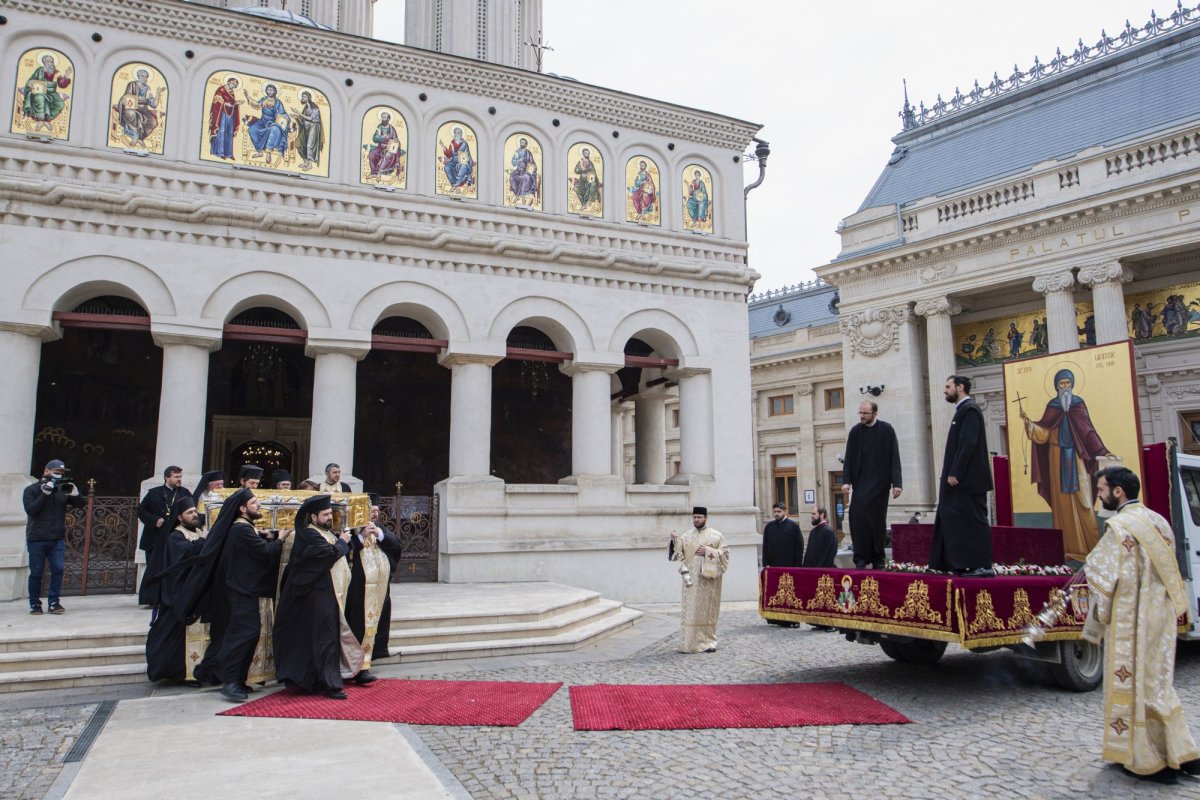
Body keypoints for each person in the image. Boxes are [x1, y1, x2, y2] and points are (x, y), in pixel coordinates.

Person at [1083, 466, 1200, 784]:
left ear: (1118, 492)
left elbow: (1103, 577)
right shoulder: (1158, 520)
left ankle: (1149, 760)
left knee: (1135, 685)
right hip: (1159, 618)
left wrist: (1097, 612)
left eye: (1102, 488)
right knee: (1159, 683)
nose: (1099, 494)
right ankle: (1182, 752)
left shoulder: (1119, 527)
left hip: (1132, 620)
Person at [1019, 368, 1116, 560]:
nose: (1065, 387)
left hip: (1077, 458)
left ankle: (1092, 548)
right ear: (1056, 386)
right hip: (1056, 457)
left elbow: (1088, 431)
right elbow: (1044, 433)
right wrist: (1030, 424)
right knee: (1061, 504)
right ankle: (1066, 549)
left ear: (1072, 384)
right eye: (1061, 384)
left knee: (1084, 501)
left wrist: (1103, 451)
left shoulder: (1078, 404)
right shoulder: (1053, 405)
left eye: (1067, 383)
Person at [273, 495, 365, 699]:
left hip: (325, 595)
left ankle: (320, 680)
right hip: (315, 596)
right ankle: (330, 684)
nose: (329, 517)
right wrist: (342, 542)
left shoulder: (324, 533)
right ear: (313, 517)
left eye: (330, 513)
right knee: (324, 639)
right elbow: (328, 555)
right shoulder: (309, 535)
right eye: (325, 514)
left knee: (325, 638)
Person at [213, 491, 286, 701]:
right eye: (254, 503)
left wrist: (266, 537)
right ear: (243, 509)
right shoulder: (241, 529)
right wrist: (279, 539)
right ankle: (230, 681)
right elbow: (263, 553)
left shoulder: (246, 529)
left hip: (246, 588)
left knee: (251, 632)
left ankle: (240, 679)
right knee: (243, 634)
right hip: (240, 590)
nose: (259, 505)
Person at [930, 375, 993, 576]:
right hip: (960, 483)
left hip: (968, 481)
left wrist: (955, 471)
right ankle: (958, 563)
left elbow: (968, 443)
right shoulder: (962, 411)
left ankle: (982, 566)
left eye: (948, 386)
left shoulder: (970, 410)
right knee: (954, 520)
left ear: (961, 387)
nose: (945, 390)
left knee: (974, 521)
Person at [145, 497, 208, 682]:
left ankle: (193, 672)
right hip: (179, 595)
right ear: (180, 517)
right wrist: (203, 541)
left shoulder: (197, 531)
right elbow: (186, 554)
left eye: (195, 511)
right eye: (189, 513)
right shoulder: (175, 535)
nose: (194, 515)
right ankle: (175, 673)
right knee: (173, 638)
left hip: (196, 594)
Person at [841, 400, 903, 569]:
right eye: (860, 413)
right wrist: (846, 481)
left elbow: (894, 458)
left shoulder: (887, 430)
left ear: (875, 413)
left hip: (880, 484)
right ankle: (860, 557)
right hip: (861, 483)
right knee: (857, 518)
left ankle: (878, 558)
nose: (861, 416)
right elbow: (849, 458)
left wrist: (897, 484)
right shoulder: (855, 431)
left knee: (877, 522)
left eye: (865, 413)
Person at [345, 500, 403, 668]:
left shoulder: (380, 528)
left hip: (379, 588)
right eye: (372, 510)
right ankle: (357, 661)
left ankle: (372, 656)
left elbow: (397, 546)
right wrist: (361, 536)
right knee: (358, 622)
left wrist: (379, 535)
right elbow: (345, 552)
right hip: (358, 590)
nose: (375, 514)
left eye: (377, 511)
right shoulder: (352, 529)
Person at [23, 459, 85, 615]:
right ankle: (35, 604)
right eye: (56, 472)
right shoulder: (31, 490)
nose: (58, 475)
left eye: (61, 473)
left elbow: (80, 504)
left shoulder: (62, 490)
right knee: (36, 572)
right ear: (46, 471)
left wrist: (76, 494)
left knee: (58, 570)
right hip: (36, 538)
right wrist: (44, 494)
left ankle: (54, 602)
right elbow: (31, 510)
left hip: (57, 538)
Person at [668, 507, 729, 653]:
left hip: (708, 582)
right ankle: (688, 643)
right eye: (694, 517)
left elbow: (725, 554)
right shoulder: (686, 536)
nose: (696, 519)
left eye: (699, 517)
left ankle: (708, 642)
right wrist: (674, 541)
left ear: (706, 518)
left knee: (707, 611)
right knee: (690, 611)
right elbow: (677, 555)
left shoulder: (717, 536)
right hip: (691, 581)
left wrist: (708, 551)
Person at [136, 465, 187, 608]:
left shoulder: (184, 493)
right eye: (176, 477)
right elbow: (141, 511)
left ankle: (169, 598)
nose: (179, 479)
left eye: (180, 477)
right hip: (155, 537)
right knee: (154, 568)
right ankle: (151, 599)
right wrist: (154, 520)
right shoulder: (154, 493)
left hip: (174, 537)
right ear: (167, 477)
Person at [18, 54, 72, 133]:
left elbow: (61, 84)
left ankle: (47, 120)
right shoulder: (39, 71)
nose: (50, 63)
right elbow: (30, 81)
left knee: (60, 104)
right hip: (38, 91)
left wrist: (66, 76)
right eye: (48, 61)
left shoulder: (56, 72)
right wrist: (30, 83)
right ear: (44, 63)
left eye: (52, 61)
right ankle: (41, 120)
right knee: (40, 98)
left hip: (51, 92)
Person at [243, 84, 291, 166]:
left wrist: (283, 117)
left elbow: (283, 114)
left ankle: (268, 152)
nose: (270, 91)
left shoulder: (277, 102)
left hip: (273, 123)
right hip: (263, 122)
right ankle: (259, 152)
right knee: (252, 129)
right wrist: (248, 97)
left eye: (271, 90)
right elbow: (256, 106)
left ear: (275, 91)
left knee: (275, 129)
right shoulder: (264, 99)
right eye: (268, 90)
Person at [114, 69, 162, 148]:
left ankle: (140, 138)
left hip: (143, 110)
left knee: (154, 122)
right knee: (131, 114)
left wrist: (158, 93)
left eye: (146, 77)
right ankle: (135, 133)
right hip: (131, 107)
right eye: (142, 76)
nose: (144, 78)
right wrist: (144, 100)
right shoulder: (132, 84)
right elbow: (127, 96)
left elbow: (153, 104)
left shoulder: (148, 88)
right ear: (138, 76)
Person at [366, 111, 405, 180]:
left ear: (388, 119)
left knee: (388, 155)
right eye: (382, 117)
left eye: (384, 117)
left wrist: (393, 141)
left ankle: (379, 173)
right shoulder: (379, 127)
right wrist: (383, 137)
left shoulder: (392, 129)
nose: (382, 119)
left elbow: (396, 140)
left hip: (390, 149)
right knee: (371, 154)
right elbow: (375, 138)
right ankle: (373, 173)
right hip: (380, 148)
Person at [208, 75, 240, 160]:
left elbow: (232, 103)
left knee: (229, 134)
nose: (234, 86)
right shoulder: (221, 89)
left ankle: (229, 154)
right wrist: (225, 104)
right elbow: (217, 100)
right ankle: (220, 152)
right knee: (221, 132)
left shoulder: (232, 92)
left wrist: (236, 103)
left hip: (230, 115)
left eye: (235, 86)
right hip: (221, 115)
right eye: (233, 84)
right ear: (229, 82)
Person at [291, 91, 322, 171]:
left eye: (304, 97)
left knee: (309, 146)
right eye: (302, 97)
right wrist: (297, 116)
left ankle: (310, 164)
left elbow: (310, 118)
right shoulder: (306, 108)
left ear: (308, 98)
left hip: (313, 127)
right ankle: (305, 161)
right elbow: (303, 119)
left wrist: (298, 113)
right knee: (299, 144)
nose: (302, 98)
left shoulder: (315, 108)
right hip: (305, 127)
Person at [509, 137, 538, 204]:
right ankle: (517, 194)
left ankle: (521, 196)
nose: (521, 144)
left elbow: (532, 164)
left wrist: (529, 171)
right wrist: (517, 160)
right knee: (512, 177)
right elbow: (513, 163)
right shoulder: (517, 152)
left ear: (526, 144)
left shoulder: (528, 153)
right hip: (518, 171)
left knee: (524, 178)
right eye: (521, 142)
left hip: (526, 171)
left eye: (523, 143)